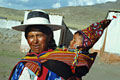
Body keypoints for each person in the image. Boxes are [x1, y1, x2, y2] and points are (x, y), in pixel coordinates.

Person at [9, 9, 111, 80]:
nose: (35, 41)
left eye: (39, 35)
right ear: (27, 39)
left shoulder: (61, 60)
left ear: (49, 36)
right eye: (31, 36)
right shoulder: (24, 63)